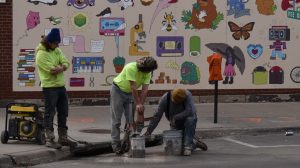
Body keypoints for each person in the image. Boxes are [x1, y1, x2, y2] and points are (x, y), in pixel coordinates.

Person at [35, 28, 76, 149]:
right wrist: (60, 67)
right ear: (49, 42)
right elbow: (52, 70)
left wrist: (61, 67)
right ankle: (50, 138)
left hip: (60, 86)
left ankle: (63, 137)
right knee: (49, 112)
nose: (58, 45)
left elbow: (66, 63)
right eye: (56, 43)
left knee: (63, 112)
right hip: (49, 87)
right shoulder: (41, 54)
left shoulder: (57, 50)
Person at [110, 56, 158, 155]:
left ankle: (126, 143)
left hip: (130, 94)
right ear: (142, 67)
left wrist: (141, 106)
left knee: (130, 121)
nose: (147, 73)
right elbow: (133, 87)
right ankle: (116, 146)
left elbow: (144, 90)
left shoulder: (148, 72)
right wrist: (138, 103)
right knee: (116, 120)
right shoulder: (131, 67)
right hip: (118, 90)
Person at [144, 88, 207, 156]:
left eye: (178, 102)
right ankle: (194, 143)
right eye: (175, 102)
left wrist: (175, 117)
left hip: (187, 120)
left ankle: (188, 146)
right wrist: (149, 131)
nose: (176, 103)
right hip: (175, 123)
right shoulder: (165, 99)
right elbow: (157, 116)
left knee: (191, 119)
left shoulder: (187, 95)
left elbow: (189, 111)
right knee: (175, 143)